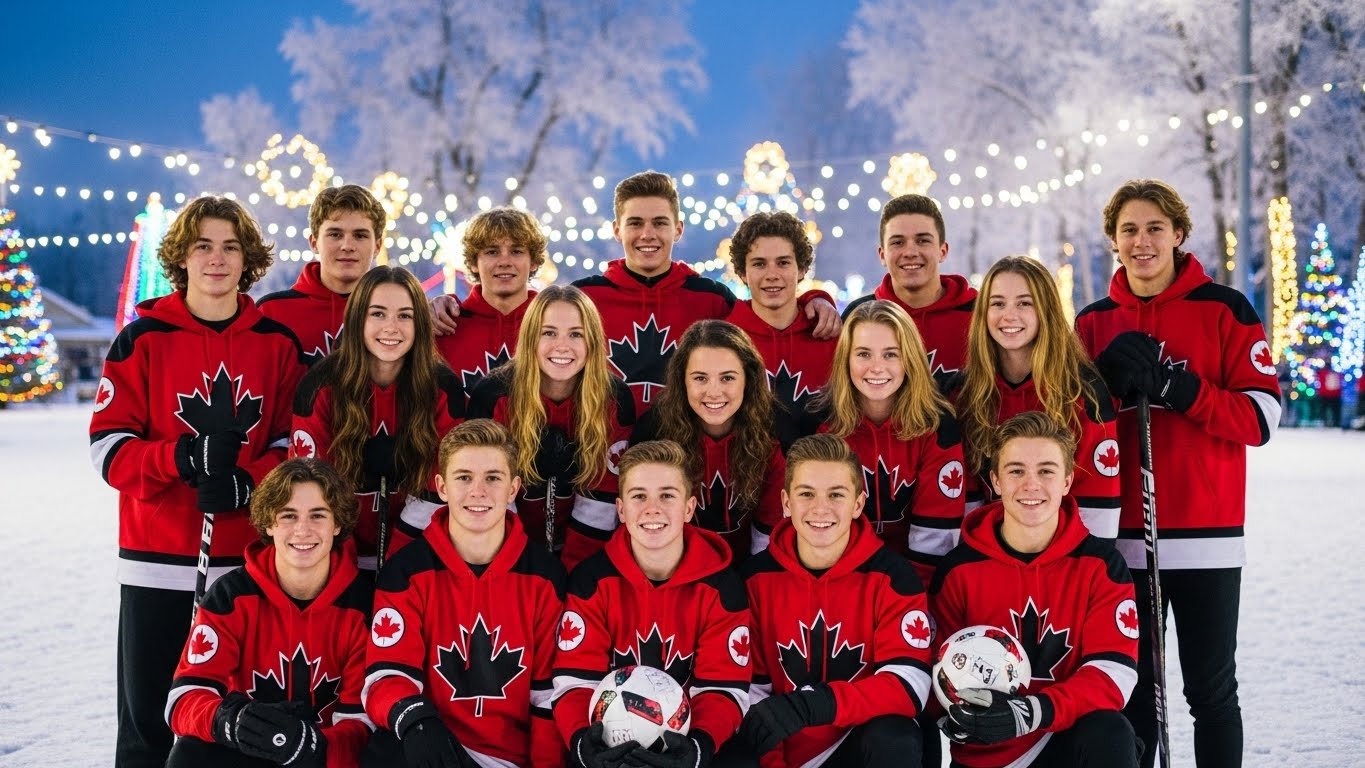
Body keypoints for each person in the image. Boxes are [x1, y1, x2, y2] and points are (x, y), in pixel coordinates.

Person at [89, 195, 305, 767]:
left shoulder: (277, 344)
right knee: (149, 725)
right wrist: (180, 458)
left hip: (251, 566)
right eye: (203, 245)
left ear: (247, 259)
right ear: (181, 258)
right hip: (156, 564)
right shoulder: (142, 339)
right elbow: (109, 451)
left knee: (237, 728)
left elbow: (293, 444)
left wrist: (250, 484)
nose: (217, 258)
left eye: (230, 247)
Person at [1076, 179, 1281, 768]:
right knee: (1133, 694)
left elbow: (1262, 417)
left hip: (1207, 539)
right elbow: (1069, 425)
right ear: (1113, 241)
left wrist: (1179, 388)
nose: (1141, 242)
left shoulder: (1224, 308)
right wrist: (1104, 389)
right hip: (1122, 542)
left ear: (1179, 234)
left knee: (1211, 693)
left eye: (1154, 228)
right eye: (1129, 230)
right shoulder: (1092, 323)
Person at [931, 412, 1140, 768]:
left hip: (1067, 744)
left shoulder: (1100, 565)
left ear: (1067, 481)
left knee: (1110, 731)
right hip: (988, 755)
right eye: (1016, 471)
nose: (1031, 485)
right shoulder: (958, 570)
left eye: (1046, 471)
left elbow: (1112, 675)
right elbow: (936, 669)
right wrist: (952, 709)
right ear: (995, 481)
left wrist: (1031, 712)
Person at [362, 419, 567, 768]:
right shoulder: (407, 571)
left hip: (508, 759)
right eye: (464, 477)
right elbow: (386, 679)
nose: (478, 491)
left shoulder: (545, 577)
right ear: (442, 486)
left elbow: (548, 697)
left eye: (493, 478)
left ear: (513, 488)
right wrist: (415, 719)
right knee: (383, 751)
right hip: (436, 748)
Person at [551, 439, 752, 768]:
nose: (652, 509)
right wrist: (583, 743)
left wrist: (697, 749)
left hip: (686, 745)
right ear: (621, 509)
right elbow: (575, 681)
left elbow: (724, 688)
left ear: (689, 507)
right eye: (639, 496)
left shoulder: (722, 587)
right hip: (609, 747)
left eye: (667, 496)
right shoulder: (592, 580)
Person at [573, 170, 840, 414]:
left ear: (678, 229)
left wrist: (816, 300)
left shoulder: (711, 299)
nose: (647, 234)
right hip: (606, 443)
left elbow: (763, 312)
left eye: (660, 223)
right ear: (617, 230)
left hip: (684, 445)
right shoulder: (585, 299)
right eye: (635, 223)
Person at [164, 458, 373, 768]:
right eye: (288, 515)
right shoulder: (231, 596)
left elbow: (362, 722)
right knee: (189, 753)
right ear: (269, 524)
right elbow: (184, 699)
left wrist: (312, 747)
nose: (303, 529)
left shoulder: (363, 604)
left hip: (325, 757)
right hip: (249, 751)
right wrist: (230, 721)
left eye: (318, 515)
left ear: (337, 523)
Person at [740, 434, 931, 767]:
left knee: (896, 736)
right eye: (806, 494)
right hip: (784, 748)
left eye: (836, 494)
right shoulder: (753, 581)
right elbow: (752, 697)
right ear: (786, 502)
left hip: (858, 742)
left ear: (858, 503)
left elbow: (909, 685)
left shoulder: (893, 577)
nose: (820, 508)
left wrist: (818, 705)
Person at [291, 266, 464, 571]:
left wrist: (399, 561)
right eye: (378, 314)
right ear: (358, 318)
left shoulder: (442, 387)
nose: (391, 327)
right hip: (332, 553)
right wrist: (345, 568)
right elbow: (309, 487)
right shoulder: (320, 387)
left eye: (405, 316)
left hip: (418, 550)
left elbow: (444, 485)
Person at [468, 285, 636, 568]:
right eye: (548, 333)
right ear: (530, 338)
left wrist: (575, 573)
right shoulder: (494, 395)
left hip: (585, 552)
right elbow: (488, 495)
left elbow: (600, 499)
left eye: (576, 334)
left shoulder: (613, 398)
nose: (562, 345)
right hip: (507, 554)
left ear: (592, 341)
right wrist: (524, 569)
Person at [955, 255, 1120, 540]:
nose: (1009, 315)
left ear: (1046, 310)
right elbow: (966, 503)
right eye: (997, 304)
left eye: (1024, 303)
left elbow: (1097, 511)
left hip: (1065, 556)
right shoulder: (965, 393)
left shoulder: (1083, 393)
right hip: (989, 552)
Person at [808, 300, 965, 585]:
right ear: (845, 359)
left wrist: (909, 598)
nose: (877, 367)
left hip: (915, 582)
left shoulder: (938, 426)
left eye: (891, 354)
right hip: (840, 579)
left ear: (910, 359)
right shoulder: (818, 424)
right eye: (863, 354)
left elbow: (935, 539)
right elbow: (815, 524)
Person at [631, 319, 787, 561]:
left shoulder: (774, 432)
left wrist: (753, 576)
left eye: (727, 378)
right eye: (700, 378)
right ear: (682, 380)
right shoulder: (653, 433)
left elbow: (769, 533)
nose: (714, 392)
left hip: (748, 569)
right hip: (672, 566)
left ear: (748, 379)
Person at [843, 194, 976, 379]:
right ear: (882, 255)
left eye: (923, 241)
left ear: (942, 251)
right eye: (898, 242)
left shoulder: (979, 313)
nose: (910, 252)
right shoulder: (857, 316)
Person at [259, 184, 387, 365]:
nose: (347, 246)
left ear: (377, 246)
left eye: (360, 236)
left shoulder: (396, 312)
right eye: (335, 234)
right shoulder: (272, 312)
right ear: (314, 243)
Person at [725, 211, 836, 420]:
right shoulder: (725, 339)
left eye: (783, 263)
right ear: (742, 273)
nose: (772, 275)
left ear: (802, 269)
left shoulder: (829, 334)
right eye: (759, 264)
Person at [431, 206, 546, 391]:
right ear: (473, 263)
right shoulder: (444, 325)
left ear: (533, 262)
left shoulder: (553, 324)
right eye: (492, 252)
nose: (504, 262)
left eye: (516, 251)